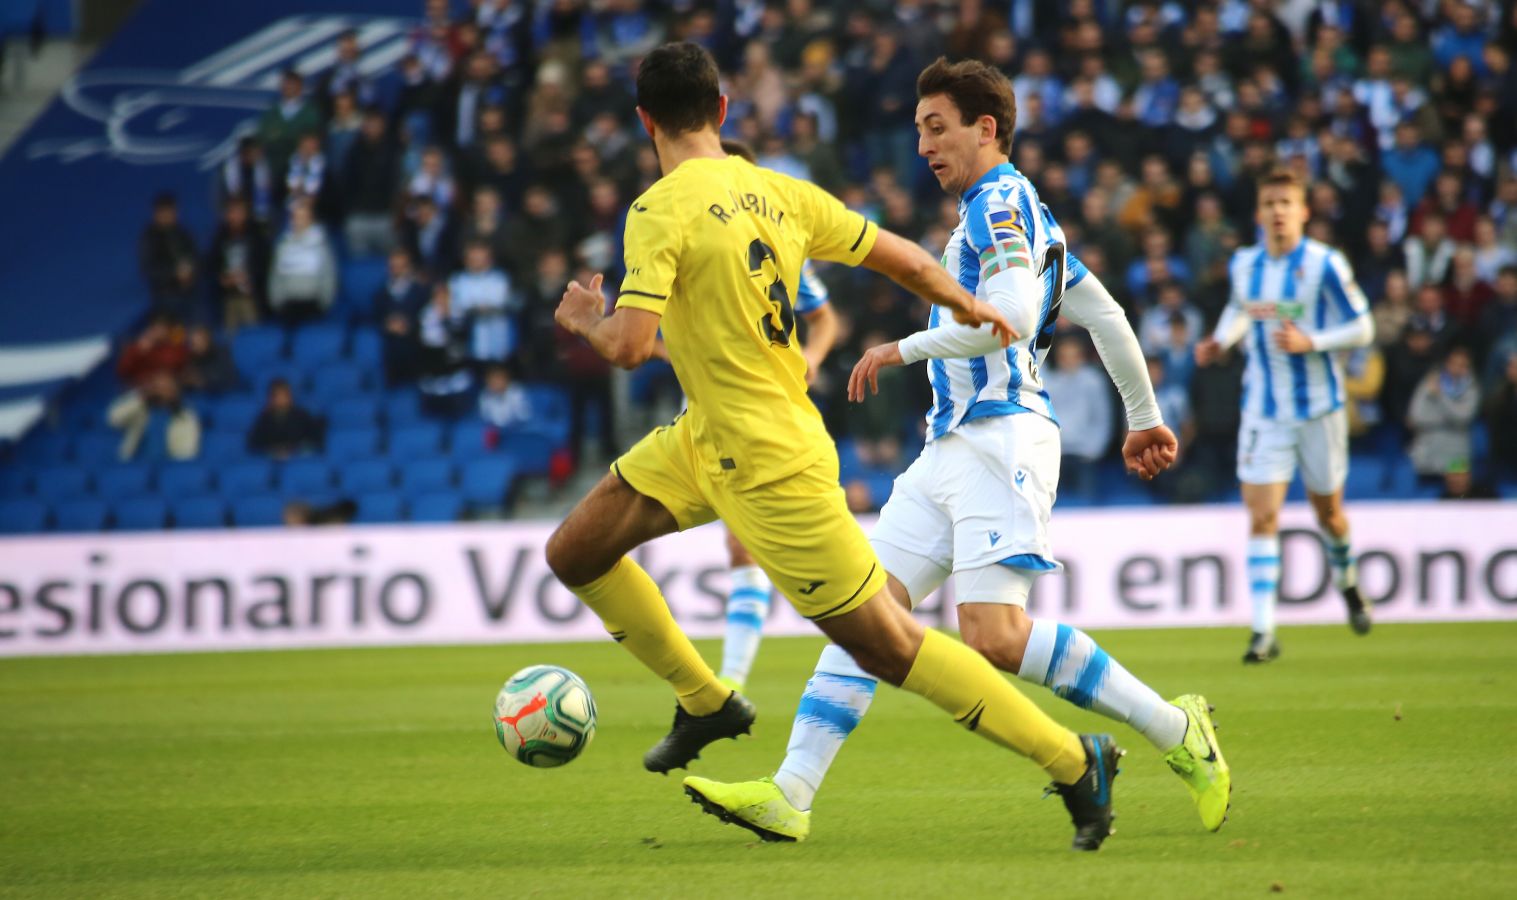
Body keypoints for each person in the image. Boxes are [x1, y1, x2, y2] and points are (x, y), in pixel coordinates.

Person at [543, 43, 1118, 851]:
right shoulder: (780, 192)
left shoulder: (656, 208)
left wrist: (583, 323)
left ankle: (1072, 760)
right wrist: (966, 301)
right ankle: (707, 700)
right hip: (705, 435)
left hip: (771, 461)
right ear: (723, 111)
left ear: (645, 122)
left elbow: (633, 346)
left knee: (888, 644)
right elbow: (904, 259)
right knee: (574, 550)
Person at [689, 57, 1226, 845]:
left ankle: (1175, 730)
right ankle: (791, 791)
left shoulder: (998, 207)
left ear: (986, 127)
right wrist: (1140, 415)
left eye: (936, 127)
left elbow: (1005, 314)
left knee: (994, 637)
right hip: (951, 447)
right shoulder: (1017, 213)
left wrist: (901, 348)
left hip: (1001, 433)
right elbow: (1104, 315)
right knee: (863, 616)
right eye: (917, 131)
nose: (924, 146)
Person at [1194, 167, 1376, 663]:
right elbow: (1239, 310)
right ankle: (1263, 631)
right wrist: (1220, 340)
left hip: (1320, 409)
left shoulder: (1325, 265)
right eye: (1269, 203)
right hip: (1263, 410)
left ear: (1303, 212)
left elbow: (1363, 327)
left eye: (1286, 203)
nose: (1277, 211)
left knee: (1330, 515)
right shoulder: (1245, 264)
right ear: (1258, 213)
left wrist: (1311, 341)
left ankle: (1350, 585)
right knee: (1263, 514)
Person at [709, 139, 842, 697]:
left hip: (761, 411)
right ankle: (730, 682)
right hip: (713, 411)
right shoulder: (695, 236)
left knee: (754, 550)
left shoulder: (776, 246)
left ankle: (730, 682)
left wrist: (811, 359)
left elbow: (826, 320)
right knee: (742, 549)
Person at [1407, 346, 1480, 479]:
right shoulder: (1429, 382)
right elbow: (1417, 416)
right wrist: (1450, 419)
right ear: (1447, 363)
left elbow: (1463, 418)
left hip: (1458, 453)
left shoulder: (1472, 388)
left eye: (1462, 365)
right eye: (1453, 363)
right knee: (1425, 495)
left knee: (1457, 493)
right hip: (1428, 452)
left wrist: (1440, 396)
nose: (1457, 368)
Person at [268, 199, 338, 324]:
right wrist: (277, 303)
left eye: (303, 217)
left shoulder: (321, 244)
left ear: (310, 219)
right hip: (287, 306)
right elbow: (275, 277)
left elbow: (329, 276)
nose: (299, 221)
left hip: (314, 305)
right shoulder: (283, 245)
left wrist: (324, 303)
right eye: (296, 217)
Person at [246, 378, 324, 459]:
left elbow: (314, 439)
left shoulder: (302, 416)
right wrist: (274, 451)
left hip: (297, 459)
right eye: (277, 395)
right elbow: (255, 444)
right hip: (272, 461)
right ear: (271, 398)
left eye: (283, 395)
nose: (280, 399)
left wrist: (294, 450)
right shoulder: (264, 419)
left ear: (289, 397)